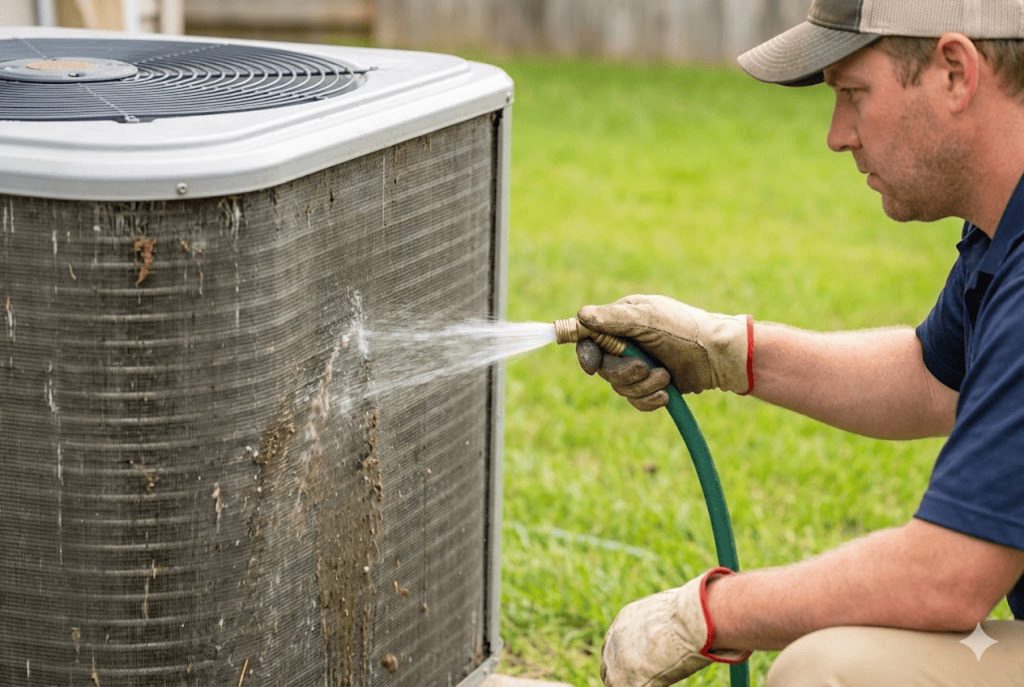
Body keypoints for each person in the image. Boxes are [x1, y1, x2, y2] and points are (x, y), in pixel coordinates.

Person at [576, 1, 1024, 685]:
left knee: (832, 672)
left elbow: (948, 575)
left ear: (956, 72)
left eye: (853, 93)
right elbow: (935, 380)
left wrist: (709, 612)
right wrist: (725, 348)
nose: (837, 134)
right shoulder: (1003, 233)